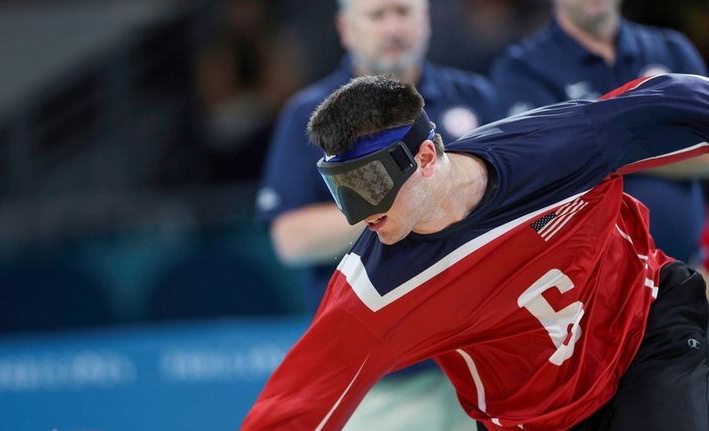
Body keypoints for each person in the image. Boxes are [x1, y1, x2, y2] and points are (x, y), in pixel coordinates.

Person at [243, 73, 709, 430]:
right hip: (538, 420)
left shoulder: (555, 146)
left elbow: (666, 100)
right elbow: (292, 406)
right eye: (342, 190)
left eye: (369, 184)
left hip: (650, 327)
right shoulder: (377, 288)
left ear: (425, 158)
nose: (357, 213)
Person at [255, 0, 501, 428]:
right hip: (383, 379)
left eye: (403, 12)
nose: (392, 27)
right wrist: (413, 202)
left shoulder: (477, 97)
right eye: (376, 15)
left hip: (483, 359)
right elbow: (291, 239)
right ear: (345, 29)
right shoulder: (307, 114)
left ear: (425, 21)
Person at [490, 0, 709, 264]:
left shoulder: (672, 49)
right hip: (595, 279)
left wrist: (605, 141)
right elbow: (552, 168)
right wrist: (670, 137)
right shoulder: (523, 69)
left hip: (689, 265)